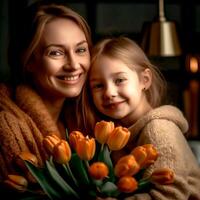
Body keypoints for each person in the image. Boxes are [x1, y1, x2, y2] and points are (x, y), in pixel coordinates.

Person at [82, 36, 200, 200]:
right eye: (98, 85)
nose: (109, 92)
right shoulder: (116, 135)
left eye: (120, 80)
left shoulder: (159, 130)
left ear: (144, 80)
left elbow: (171, 195)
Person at [0, 2, 92, 184]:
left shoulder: (82, 116)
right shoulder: (6, 126)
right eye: (56, 53)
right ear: (28, 61)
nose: (74, 64)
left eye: (81, 50)